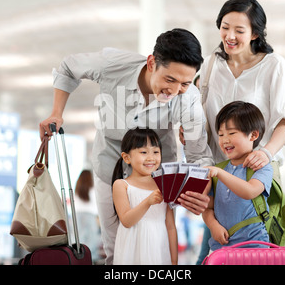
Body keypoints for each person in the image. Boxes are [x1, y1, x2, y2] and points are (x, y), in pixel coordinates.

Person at [39, 28, 214, 264]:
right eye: (169, 79)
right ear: (152, 63)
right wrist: (56, 113)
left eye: (183, 83)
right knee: (115, 248)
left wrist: (201, 193)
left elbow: (198, 154)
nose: (173, 91)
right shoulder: (113, 65)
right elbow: (68, 67)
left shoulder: (189, 98)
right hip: (110, 164)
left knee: (157, 245)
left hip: (158, 175)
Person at [199, 0, 285, 175]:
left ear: (255, 34)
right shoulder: (210, 65)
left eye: (239, 30)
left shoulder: (274, 65)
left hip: (257, 169)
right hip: (218, 170)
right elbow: (202, 115)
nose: (230, 36)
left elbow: (284, 120)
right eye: (225, 27)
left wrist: (266, 153)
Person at [203, 101, 273, 250]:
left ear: (253, 135)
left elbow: (250, 191)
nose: (224, 140)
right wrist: (213, 225)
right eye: (221, 134)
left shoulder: (261, 167)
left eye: (231, 133)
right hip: (221, 247)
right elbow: (208, 207)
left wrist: (220, 174)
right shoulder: (218, 170)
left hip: (254, 245)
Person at [112, 128, 177, 264]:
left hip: (159, 247)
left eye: (155, 152)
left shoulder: (166, 185)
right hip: (132, 249)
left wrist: (174, 262)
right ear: (126, 157)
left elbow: (170, 226)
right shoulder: (121, 185)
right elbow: (127, 221)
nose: (151, 158)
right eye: (143, 152)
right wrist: (148, 201)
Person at [74, 170, 101, 263]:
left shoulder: (77, 189)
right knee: (91, 242)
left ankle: (79, 260)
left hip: (77, 217)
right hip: (90, 217)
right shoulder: (93, 189)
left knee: (79, 240)